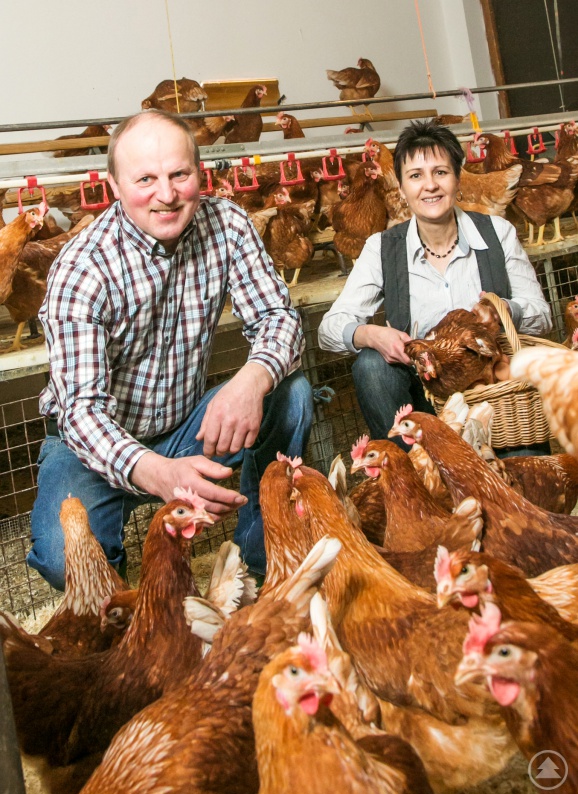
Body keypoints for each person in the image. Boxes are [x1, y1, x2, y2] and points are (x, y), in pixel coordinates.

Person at [28, 109, 313, 590]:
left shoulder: (227, 224)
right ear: (114, 187)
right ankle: (125, 611)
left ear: (199, 173)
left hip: (186, 426)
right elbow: (81, 411)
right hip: (92, 446)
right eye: (145, 179)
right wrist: (154, 471)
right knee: (66, 562)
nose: (167, 194)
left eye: (180, 174)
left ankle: (258, 570)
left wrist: (251, 380)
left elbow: (279, 318)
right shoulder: (83, 267)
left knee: (294, 393)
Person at [318, 119, 551, 452]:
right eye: (416, 176)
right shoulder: (383, 248)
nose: (430, 186)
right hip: (424, 401)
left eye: (440, 172)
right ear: (400, 186)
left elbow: (543, 315)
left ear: (458, 178)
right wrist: (370, 334)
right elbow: (329, 329)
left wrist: (503, 311)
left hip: (495, 396)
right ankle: (416, 473)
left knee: (526, 484)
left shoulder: (497, 233)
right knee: (371, 366)